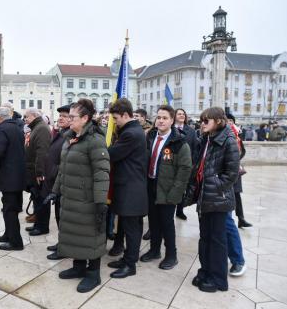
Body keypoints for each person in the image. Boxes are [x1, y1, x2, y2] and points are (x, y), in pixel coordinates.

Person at [53, 99, 110, 293]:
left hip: (87, 200)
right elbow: (64, 168)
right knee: (73, 234)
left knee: (90, 235)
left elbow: (102, 173)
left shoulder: (95, 140)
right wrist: (55, 190)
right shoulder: (70, 137)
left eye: (72, 117)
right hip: (70, 197)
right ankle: (78, 267)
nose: (68, 120)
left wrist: (101, 201)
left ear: (85, 118)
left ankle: (93, 273)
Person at [185, 107, 240, 293]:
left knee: (217, 241)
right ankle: (205, 271)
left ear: (218, 121)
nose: (202, 124)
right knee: (205, 238)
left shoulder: (228, 140)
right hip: (205, 197)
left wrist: (215, 186)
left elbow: (232, 174)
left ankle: (218, 279)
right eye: (201, 120)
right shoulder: (207, 139)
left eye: (206, 121)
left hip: (218, 199)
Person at [140, 105, 192, 270]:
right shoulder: (151, 136)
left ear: (172, 121)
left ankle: (172, 255)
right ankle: (154, 251)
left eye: (165, 118)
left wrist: (175, 193)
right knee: (153, 222)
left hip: (168, 190)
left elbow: (184, 170)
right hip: (151, 185)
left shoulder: (179, 143)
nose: (161, 121)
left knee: (167, 224)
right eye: (159, 117)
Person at [106, 98, 148, 279]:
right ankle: (127, 258)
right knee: (126, 225)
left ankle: (130, 265)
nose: (114, 122)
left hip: (131, 189)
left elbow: (112, 154)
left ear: (125, 115)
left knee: (132, 229)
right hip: (129, 186)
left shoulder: (130, 133)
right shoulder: (132, 130)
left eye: (116, 118)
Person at [0, 107, 26, 251]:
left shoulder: (2, 129)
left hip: (9, 176)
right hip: (17, 175)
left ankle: (16, 242)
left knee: (10, 209)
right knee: (10, 207)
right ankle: (8, 234)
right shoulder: (17, 128)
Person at [44, 104, 72, 260]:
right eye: (60, 115)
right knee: (58, 216)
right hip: (55, 181)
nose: (60, 118)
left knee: (64, 217)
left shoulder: (70, 136)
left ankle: (65, 247)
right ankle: (62, 242)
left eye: (65, 115)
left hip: (63, 182)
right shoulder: (61, 133)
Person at [24, 108, 52, 236]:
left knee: (42, 200)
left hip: (38, 173)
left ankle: (42, 226)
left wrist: (39, 173)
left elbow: (42, 152)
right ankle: (37, 223)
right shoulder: (37, 127)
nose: (25, 119)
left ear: (34, 116)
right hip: (32, 171)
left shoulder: (41, 128)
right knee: (36, 199)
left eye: (27, 116)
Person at [226, 113, 252, 228]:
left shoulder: (237, 135)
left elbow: (243, 151)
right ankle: (228, 219)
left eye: (231, 120)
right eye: (227, 120)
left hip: (235, 170)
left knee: (237, 194)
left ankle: (241, 218)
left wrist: (237, 160)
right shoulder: (221, 134)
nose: (230, 122)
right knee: (227, 195)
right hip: (225, 171)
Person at [174, 108, 199, 220]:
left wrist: (192, 163)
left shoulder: (191, 131)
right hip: (170, 164)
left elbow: (195, 148)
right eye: (179, 114)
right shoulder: (169, 129)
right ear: (174, 116)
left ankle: (180, 210)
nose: (182, 115)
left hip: (185, 166)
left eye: (183, 114)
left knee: (182, 189)